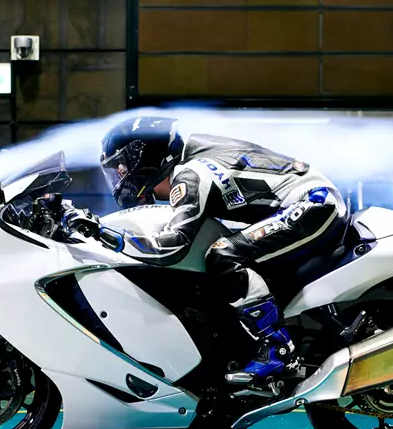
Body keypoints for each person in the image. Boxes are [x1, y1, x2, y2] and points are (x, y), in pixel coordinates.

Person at [63, 117, 348, 391]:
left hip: (314, 203)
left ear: (143, 156)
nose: (120, 178)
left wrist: (103, 233)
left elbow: (171, 248)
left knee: (223, 255)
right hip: (307, 202)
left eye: (122, 169)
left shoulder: (190, 173)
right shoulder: (194, 159)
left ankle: (278, 350)